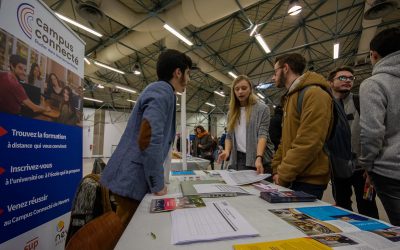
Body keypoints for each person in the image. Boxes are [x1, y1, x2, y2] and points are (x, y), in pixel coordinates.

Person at [100, 49, 192, 227]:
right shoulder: (162, 90)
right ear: (178, 72)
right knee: (124, 233)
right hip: (132, 180)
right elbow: (149, 139)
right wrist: (157, 185)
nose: (188, 80)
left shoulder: (164, 91)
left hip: (132, 178)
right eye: (187, 73)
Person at [271, 53, 333, 199]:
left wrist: (283, 174)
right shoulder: (291, 97)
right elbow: (285, 140)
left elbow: (309, 141)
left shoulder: (314, 93)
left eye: (275, 72)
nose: (273, 77)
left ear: (285, 68)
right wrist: (276, 169)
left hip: (308, 180)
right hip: (292, 176)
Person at [359, 27, 400, 226]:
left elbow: (372, 132)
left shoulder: (374, 84)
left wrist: (366, 164)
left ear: (374, 55)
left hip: (391, 170)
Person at [327, 66, 379, 219]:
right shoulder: (326, 104)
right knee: (342, 206)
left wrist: (370, 164)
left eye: (350, 78)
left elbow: (374, 131)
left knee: (368, 206)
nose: (348, 80)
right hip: (337, 168)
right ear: (330, 82)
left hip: (362, 169)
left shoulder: (360, 101)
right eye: (342, 78)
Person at [218, 75, 274, 174]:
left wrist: (259, 157)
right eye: (237, 89)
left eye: (244, 88)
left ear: (250, 89)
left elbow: (263, 134)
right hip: (238, 159)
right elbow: (229, 136)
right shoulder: (231, 113)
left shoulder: (262, 109)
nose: (240, 91)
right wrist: (227, 151)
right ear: (234, 92)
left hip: (258, 159)